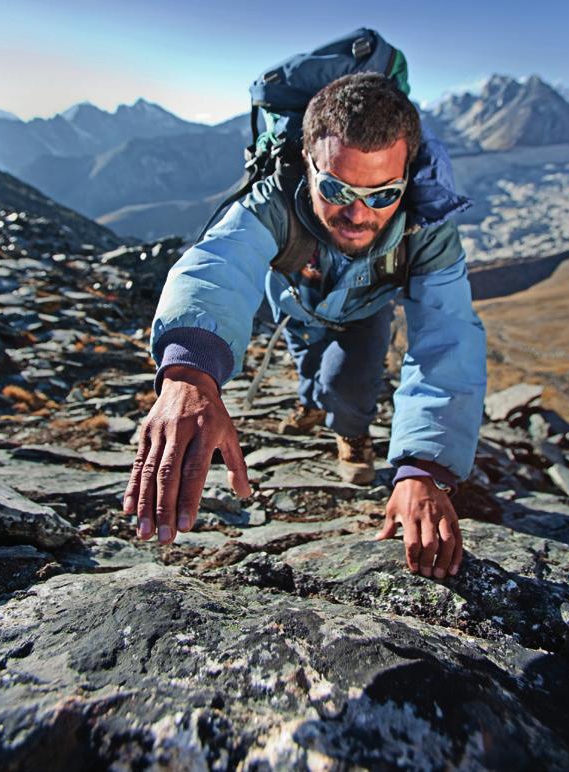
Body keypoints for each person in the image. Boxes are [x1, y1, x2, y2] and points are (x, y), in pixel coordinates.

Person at [124, 73, 487, 579]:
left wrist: (425, 469)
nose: (359, 213)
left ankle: (350, 433)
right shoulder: (273, 198)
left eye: (383, 194)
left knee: (349, 383)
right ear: (307, 163)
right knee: (310, 370)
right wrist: (190, 372)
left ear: (408, 177)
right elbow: (218, 265)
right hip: (295, 306)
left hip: (363, 314)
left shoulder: (427, 227)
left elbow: (448, 335)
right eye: (337, 188)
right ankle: (310, 400)